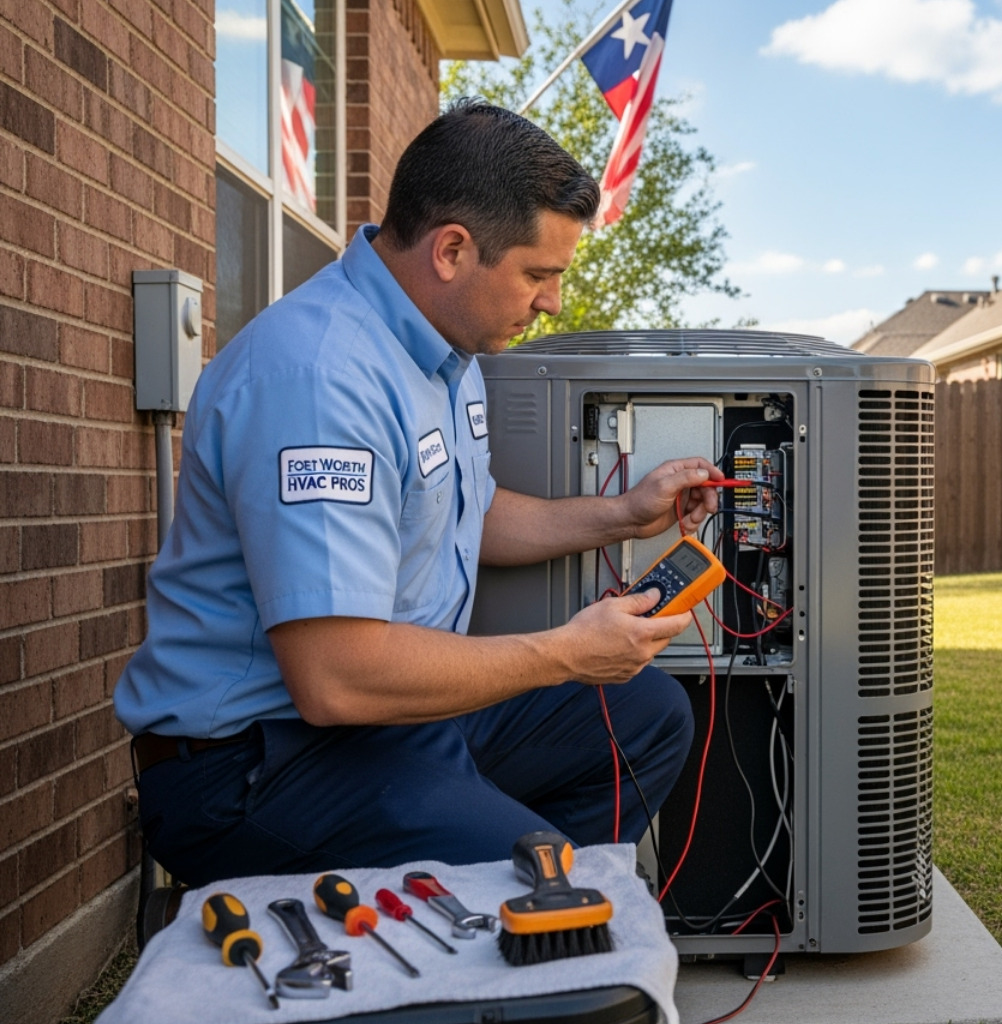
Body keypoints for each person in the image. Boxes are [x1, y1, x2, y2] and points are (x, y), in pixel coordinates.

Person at [113, 99, 720, 886]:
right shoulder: (321, 378)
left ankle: (511, 921)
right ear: (453, 250)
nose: (552, 303)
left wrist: (623, 514)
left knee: (646, 716)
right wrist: (565, 652)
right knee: (537, 869)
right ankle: (519, 916)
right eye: (540, 274)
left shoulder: (445, 351)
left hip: (393, 724)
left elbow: (465, 510)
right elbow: (338, 677)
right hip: (254, 766)